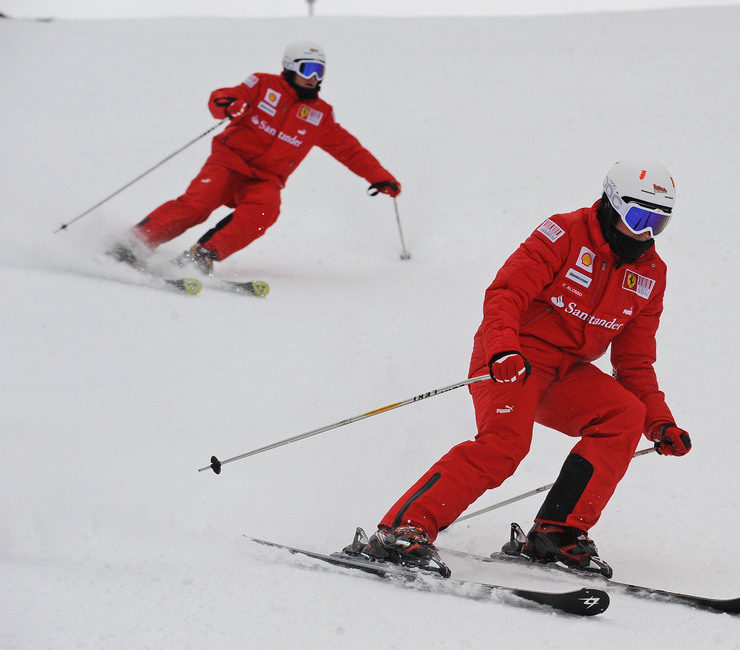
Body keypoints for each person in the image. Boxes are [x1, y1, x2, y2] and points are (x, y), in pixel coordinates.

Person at [350, 159, 692, 576]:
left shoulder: (651, 274)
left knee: (625, 414)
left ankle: (557, 533)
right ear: (612, 204)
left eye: (659, 224)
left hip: (568, 372)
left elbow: (635, 362)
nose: (645, 234)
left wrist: (659, 423)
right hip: (514, 358)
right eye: (639, 218)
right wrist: (502, 350)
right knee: (505, 446)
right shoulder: (564, 233)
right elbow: (506, 293)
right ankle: (403, 530)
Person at [111, 41, 400, 274]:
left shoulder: (319, 115)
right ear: (289, 67)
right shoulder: (263, 85)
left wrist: (380, 176)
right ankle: (131, 245)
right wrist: (229, 105)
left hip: (265, 178)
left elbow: (349, 150)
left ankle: (202, 256)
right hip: (228, 162)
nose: (313, 78)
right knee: (198, 204)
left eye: (320, 72)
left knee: (265, 211)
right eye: (308, 69)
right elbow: (223, 96)